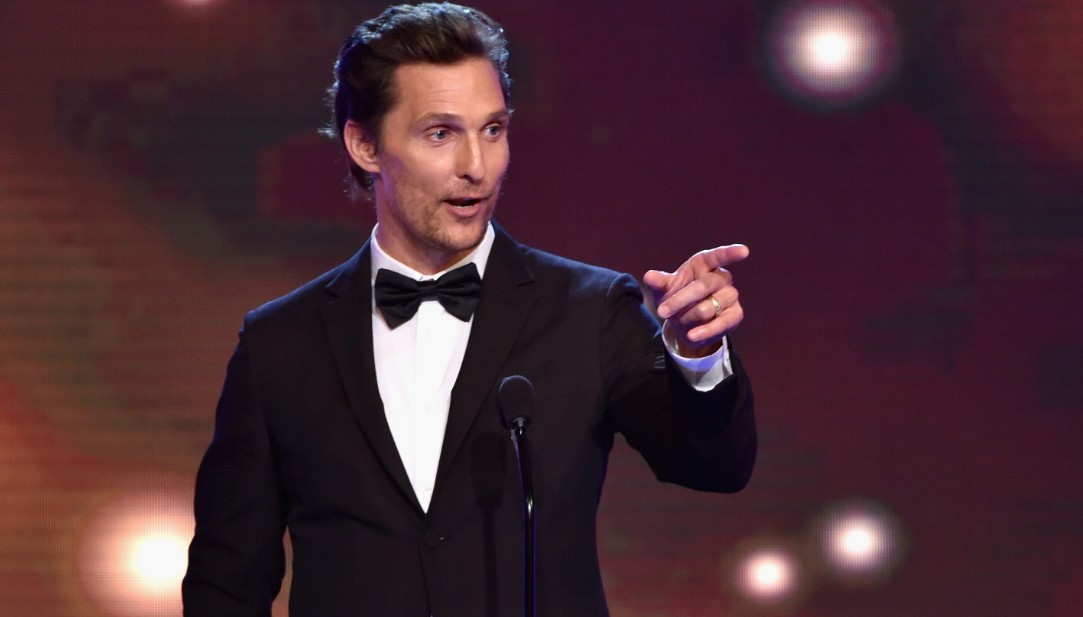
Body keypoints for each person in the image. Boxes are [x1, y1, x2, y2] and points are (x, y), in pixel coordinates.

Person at [182, 3, 756, 616]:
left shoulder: (590, 311)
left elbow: (714, 466)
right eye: (441, 134)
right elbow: (227, 581)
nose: (476, 168)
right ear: (365, 144)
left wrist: (697, 355)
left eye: (492, 130)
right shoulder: (278, 344)